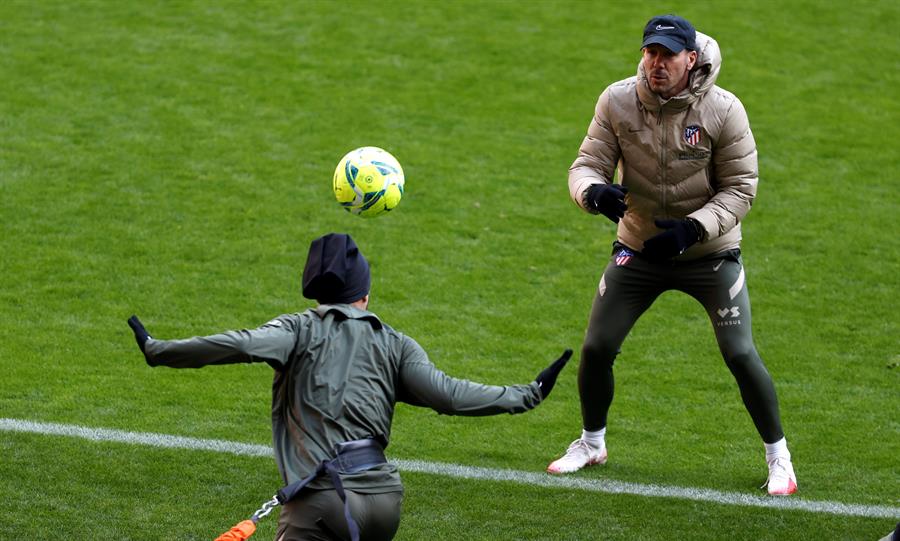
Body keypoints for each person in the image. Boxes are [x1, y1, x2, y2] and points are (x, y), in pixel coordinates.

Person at [127, 232, 572, 540]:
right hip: (383, 504)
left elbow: (237, 345)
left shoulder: (297, 329)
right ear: (365, 294)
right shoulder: (396, 343)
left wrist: (158, 349)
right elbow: (450, 396)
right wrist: (527, 393)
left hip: (322, 504)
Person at [547, 14, 797, 496]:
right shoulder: (617, 100)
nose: (656, 64)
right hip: (639, 250)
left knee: (740, 353)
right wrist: (593, 194)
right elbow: (587, 164)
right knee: (597, 347)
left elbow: (742, 190)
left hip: (709, 255)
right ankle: (591, 443)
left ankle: (779, 457)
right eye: (650, 53)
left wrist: (691, 230)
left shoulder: (725, 110)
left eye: (667, 55)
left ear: (691, 59)